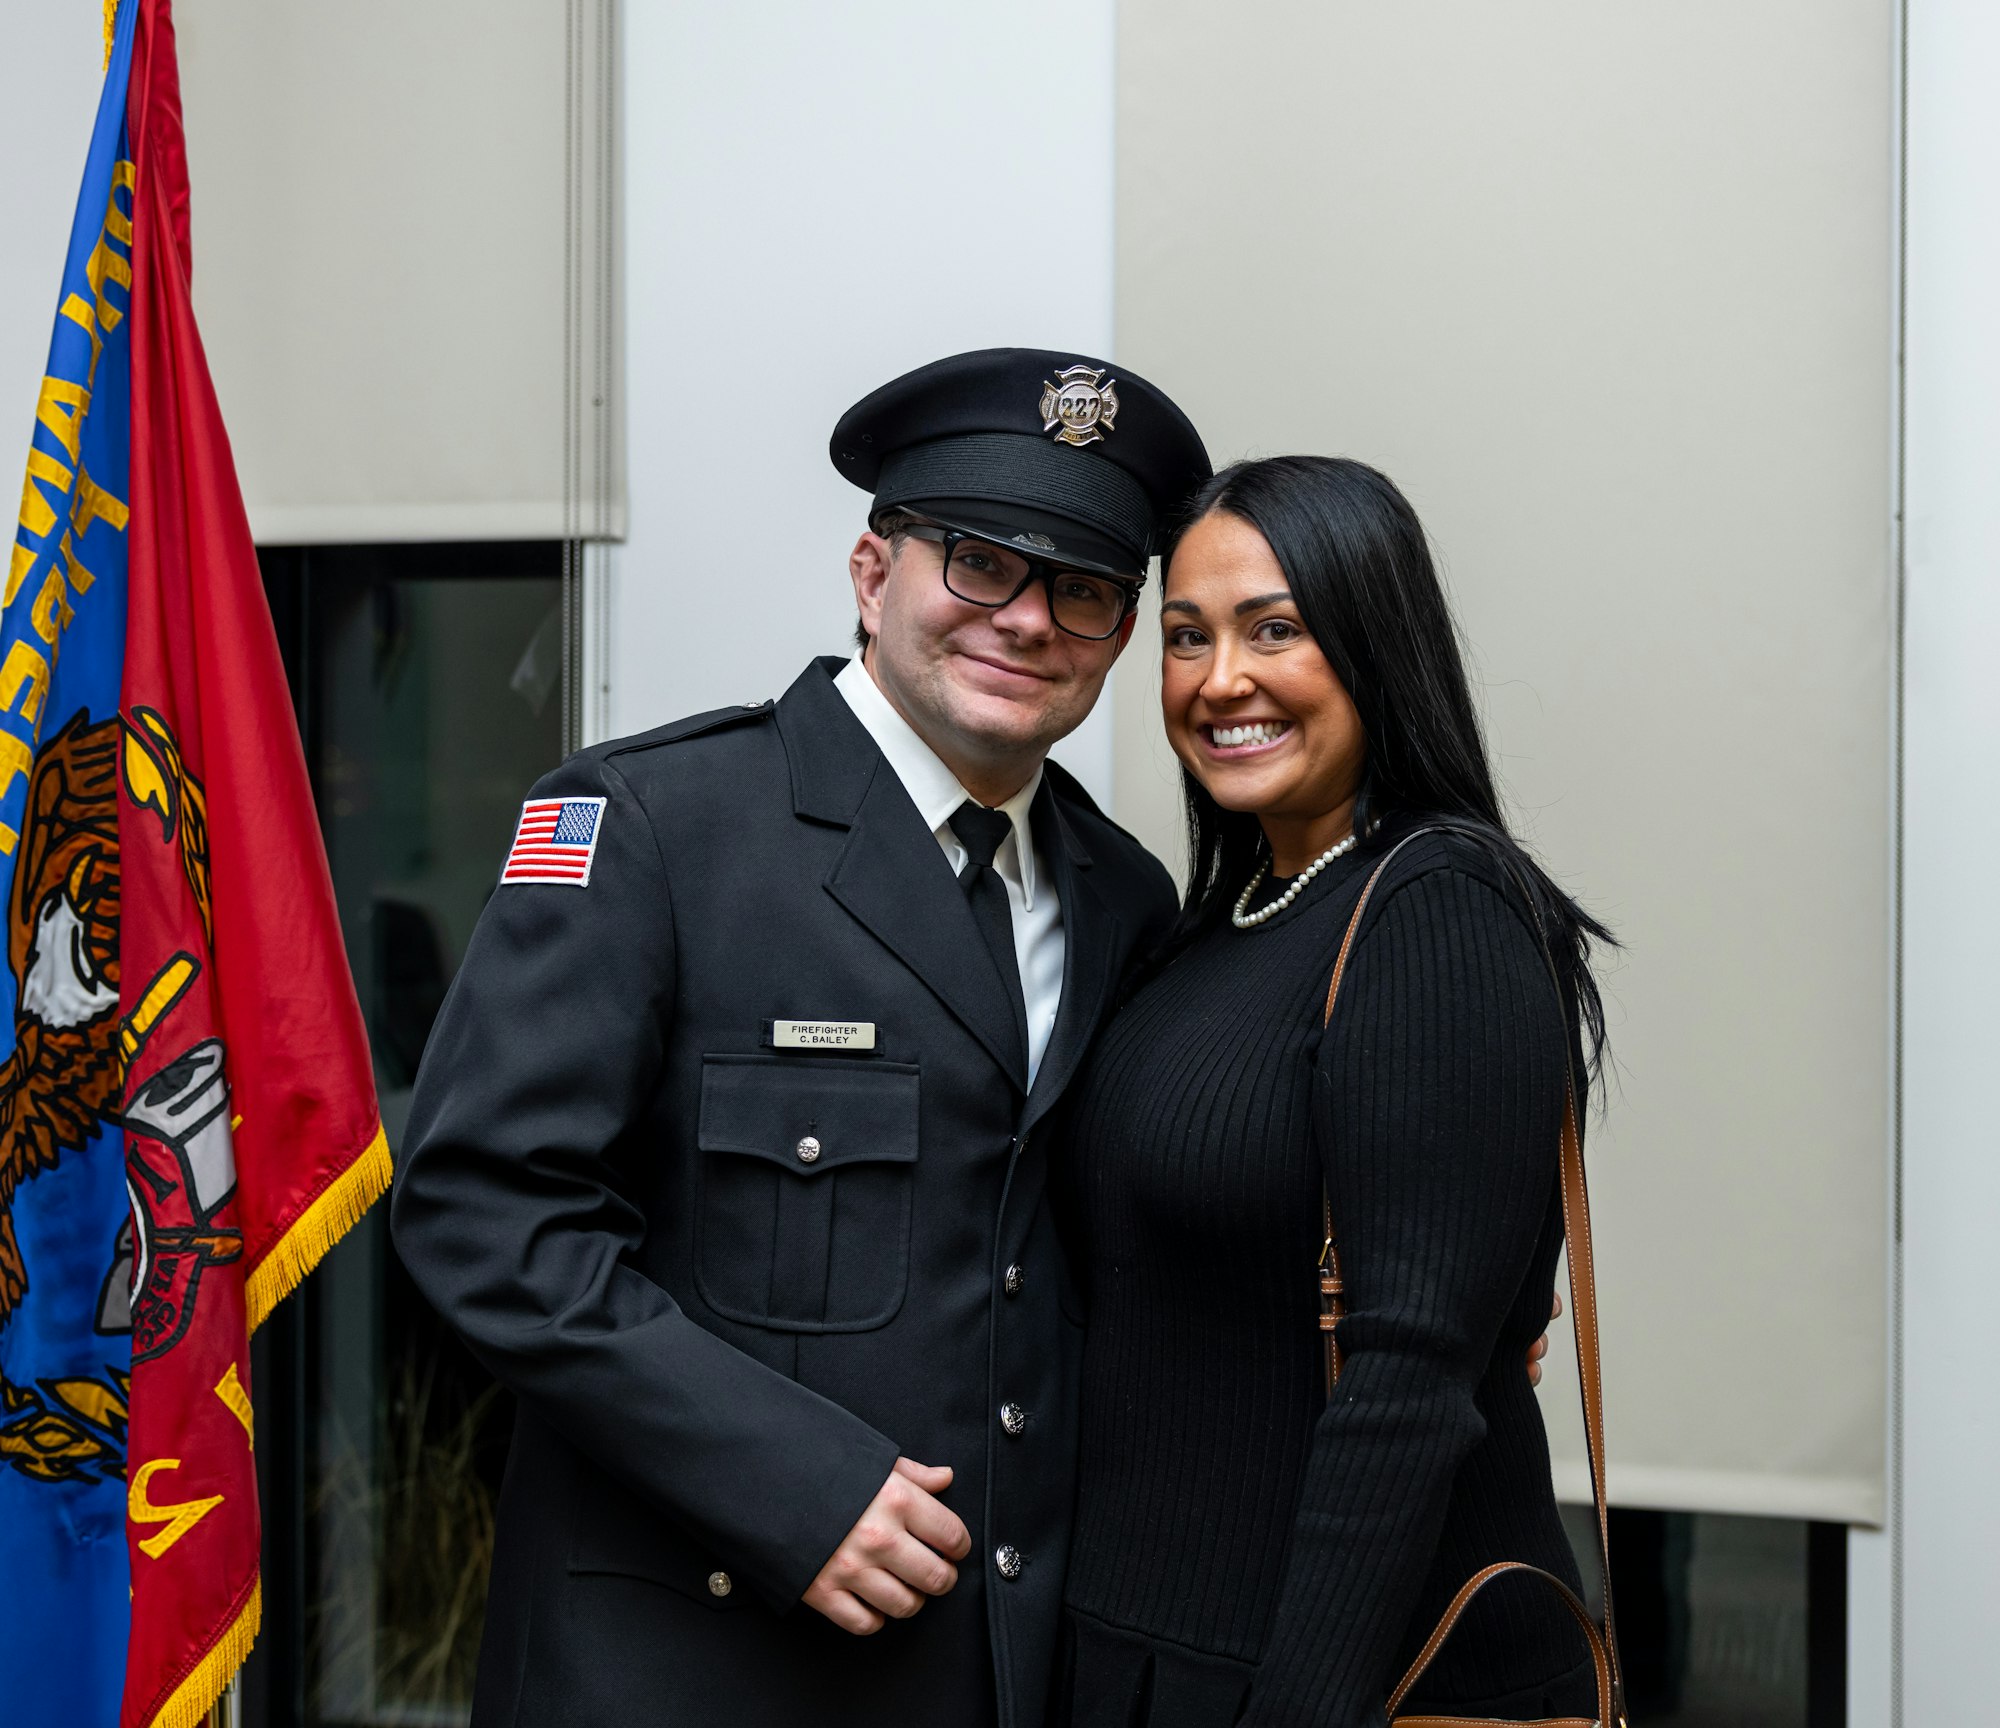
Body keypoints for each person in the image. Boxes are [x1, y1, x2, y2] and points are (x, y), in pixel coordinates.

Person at [389, 348, 1208, 1727]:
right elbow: (484, 1216)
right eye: (980, 563)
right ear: (873, 575)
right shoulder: (654, 829)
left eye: (1083, 590)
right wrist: (794, 1484)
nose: (1027, 621)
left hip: (994, 1677)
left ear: (1120, 633)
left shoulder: (1125, 898)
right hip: (690, 1665)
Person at [1051, 455, 1613, 1726]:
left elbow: (1407, 1387)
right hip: (1137, 1658)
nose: (1219, 680)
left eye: (1275, 630)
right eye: (1185, 639)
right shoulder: (1206, 932)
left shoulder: (1435, 908)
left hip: (1326, 1685)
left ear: (1375, 642)